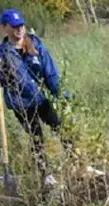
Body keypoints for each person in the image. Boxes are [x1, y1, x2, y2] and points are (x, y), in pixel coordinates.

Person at [0, 9, 70, 187]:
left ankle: (79, 164)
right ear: (4, 28)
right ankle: (46, 176)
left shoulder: (35, 45)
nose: (19, 30)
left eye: (21, 25)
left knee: (62, 128)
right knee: (36, 138)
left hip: (42, 99)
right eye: (14, 26)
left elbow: (50, 73)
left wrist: (62, 95)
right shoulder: (3, 55)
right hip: (21, 105)